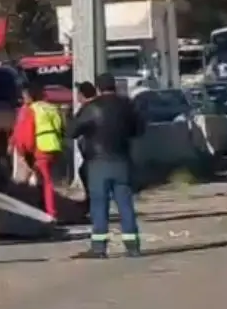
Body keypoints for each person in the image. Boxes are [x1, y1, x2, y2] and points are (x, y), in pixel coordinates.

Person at [65, 72, 145, 259]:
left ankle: (99, 247)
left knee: (99, 205)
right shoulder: (127, 105)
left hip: (98, 163)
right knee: (125, 204)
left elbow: (72, 131)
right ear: (115, 86)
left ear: (99, 88)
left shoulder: (91, 108)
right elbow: (139, 130)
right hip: (122, 160)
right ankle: (132, 246)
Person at [24, 81, 64, 220]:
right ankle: (49, 208)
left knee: (46, 182)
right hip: (55, 146)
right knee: (49, 180)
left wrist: (27, 151)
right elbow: (61, 127)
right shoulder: (52, 107)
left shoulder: (32, 109)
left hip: (40, 147)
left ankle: (50, 212)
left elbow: (29, 132)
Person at [74, 81, 98, 216]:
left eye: (78, 93)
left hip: (93, 152)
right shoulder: (100, 105)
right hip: (98, 151)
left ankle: (91, 203)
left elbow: (74, 130)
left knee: (86, 173)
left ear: (82, 95)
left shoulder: (86, 109)